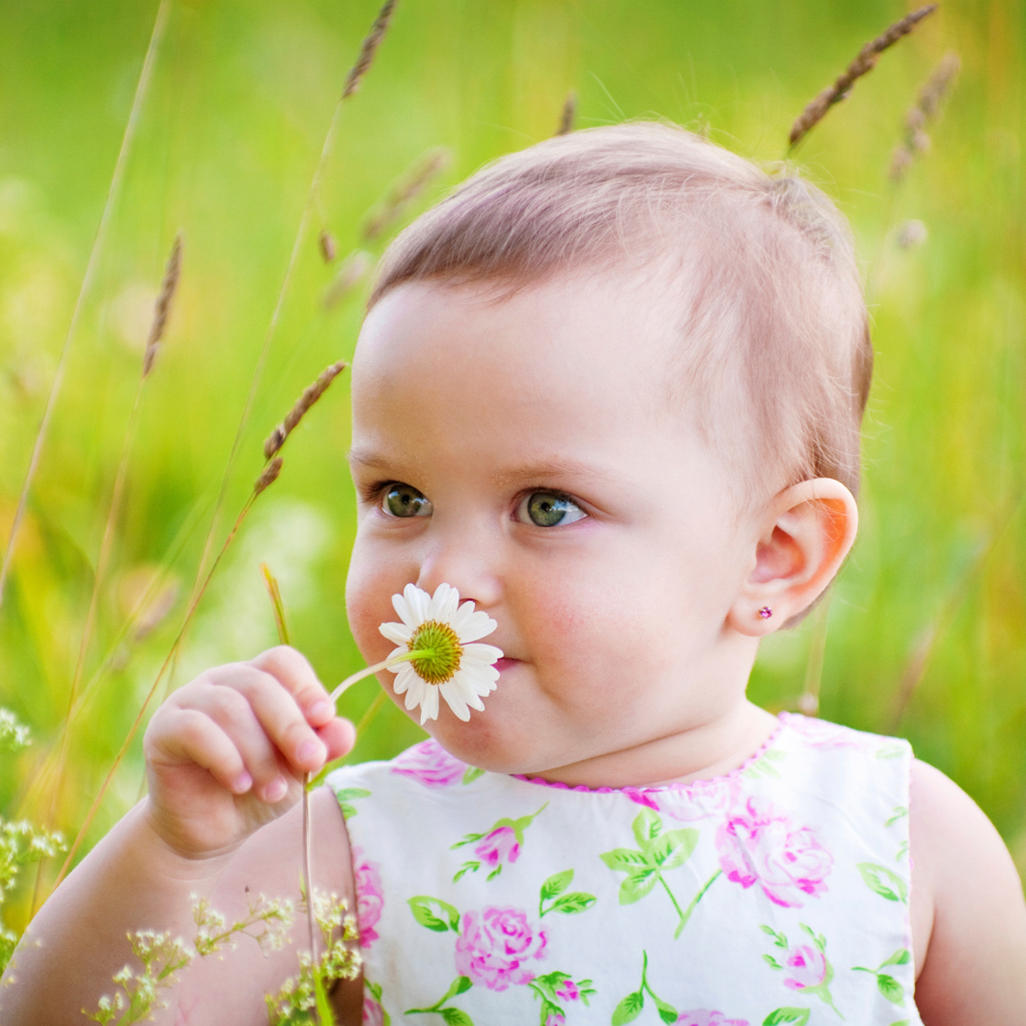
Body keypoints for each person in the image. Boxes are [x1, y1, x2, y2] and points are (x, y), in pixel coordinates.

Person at [3, 121, 1025, 1025]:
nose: (441, 574)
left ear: (774, 555)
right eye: (400, 498)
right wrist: (175, 854)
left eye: (548, 507)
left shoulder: (897, 836)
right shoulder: (355, 850)